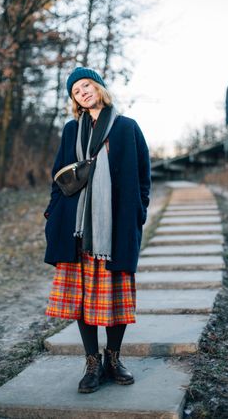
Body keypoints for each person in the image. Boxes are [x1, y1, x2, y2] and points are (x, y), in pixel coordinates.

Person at [44, 67, 151, 394]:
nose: (82, 92)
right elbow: (58, 176)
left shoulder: (126, 128)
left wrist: (138, 213)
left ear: (99, 88)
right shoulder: (70, 130)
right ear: (74, 100)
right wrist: (52, 213)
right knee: (82, 299)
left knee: (115, 296)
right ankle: (92, 363)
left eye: (87, 85)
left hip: (113, 229)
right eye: (76, 91)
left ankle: (113, 359)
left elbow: (143, 177)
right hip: (75, 228)